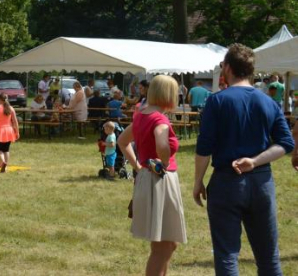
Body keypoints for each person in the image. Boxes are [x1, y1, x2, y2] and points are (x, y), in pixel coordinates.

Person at [193, 44, 294, 275]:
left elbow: (204, 147)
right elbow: (286, 143)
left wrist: (198, 181)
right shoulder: (269, 102)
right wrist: (255, 161)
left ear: (227, 67)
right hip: (261, 183)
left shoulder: (216, 101)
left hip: (226, 182)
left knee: (227, 255)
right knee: (269, 257)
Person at [117, 75, 187, 276]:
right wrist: (163, 162)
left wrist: (138, 167)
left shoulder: (142, 115)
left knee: (168, 244)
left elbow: (123, 141)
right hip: (160, 181)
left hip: (149, 179)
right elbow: (162, 143)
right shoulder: (159, 119)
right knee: (162, 247)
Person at [0, 92, 19, 172]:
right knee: (6, 150)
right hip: (9, 130)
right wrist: (17, 132)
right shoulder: (11, 108)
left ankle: (3, 163)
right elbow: (15, 122)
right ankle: (5, 167)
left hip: (0, 130)